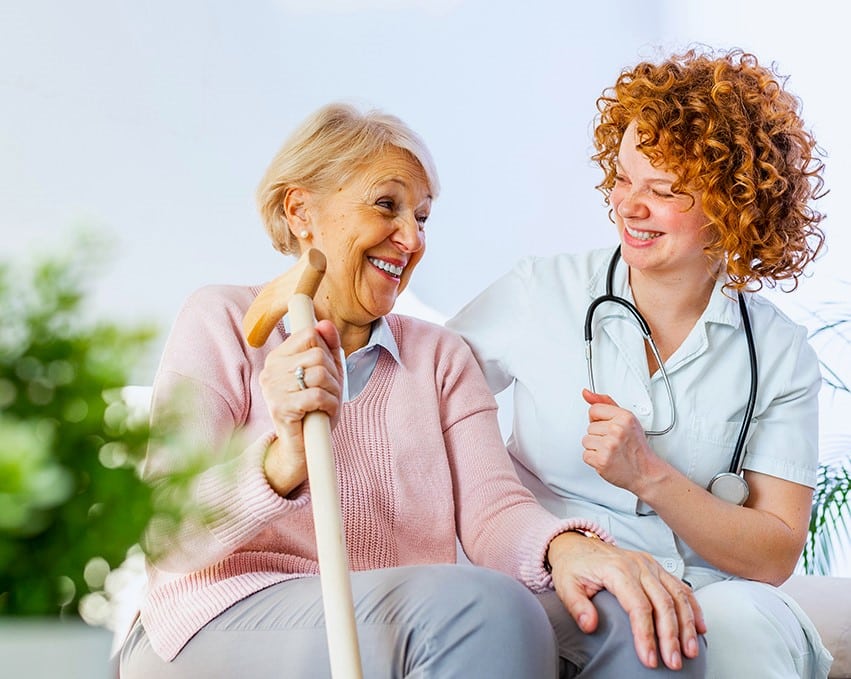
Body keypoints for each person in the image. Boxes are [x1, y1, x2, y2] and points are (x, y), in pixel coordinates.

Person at [119, 102, 706, 678]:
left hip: (396, 613)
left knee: (640, 622)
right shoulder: (221, 320)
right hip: (218, 618)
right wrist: (282, 456)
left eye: (421, 217)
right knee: (483, 610)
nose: (410, 237)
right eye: (386, 205)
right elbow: (166, 535)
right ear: (302, 210)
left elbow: (494, 513)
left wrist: (568, 547)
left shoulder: (438, 357)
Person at [447, 47, 834, 678]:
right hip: (555, 580)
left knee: (739, 631)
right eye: (624, 178)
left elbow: (772, 553)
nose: (629, 205)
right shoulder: (540, 294)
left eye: (663, 190)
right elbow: (422, 392)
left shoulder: (778, 353)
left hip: (712, 594)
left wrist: (648, 474)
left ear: (734, 207)